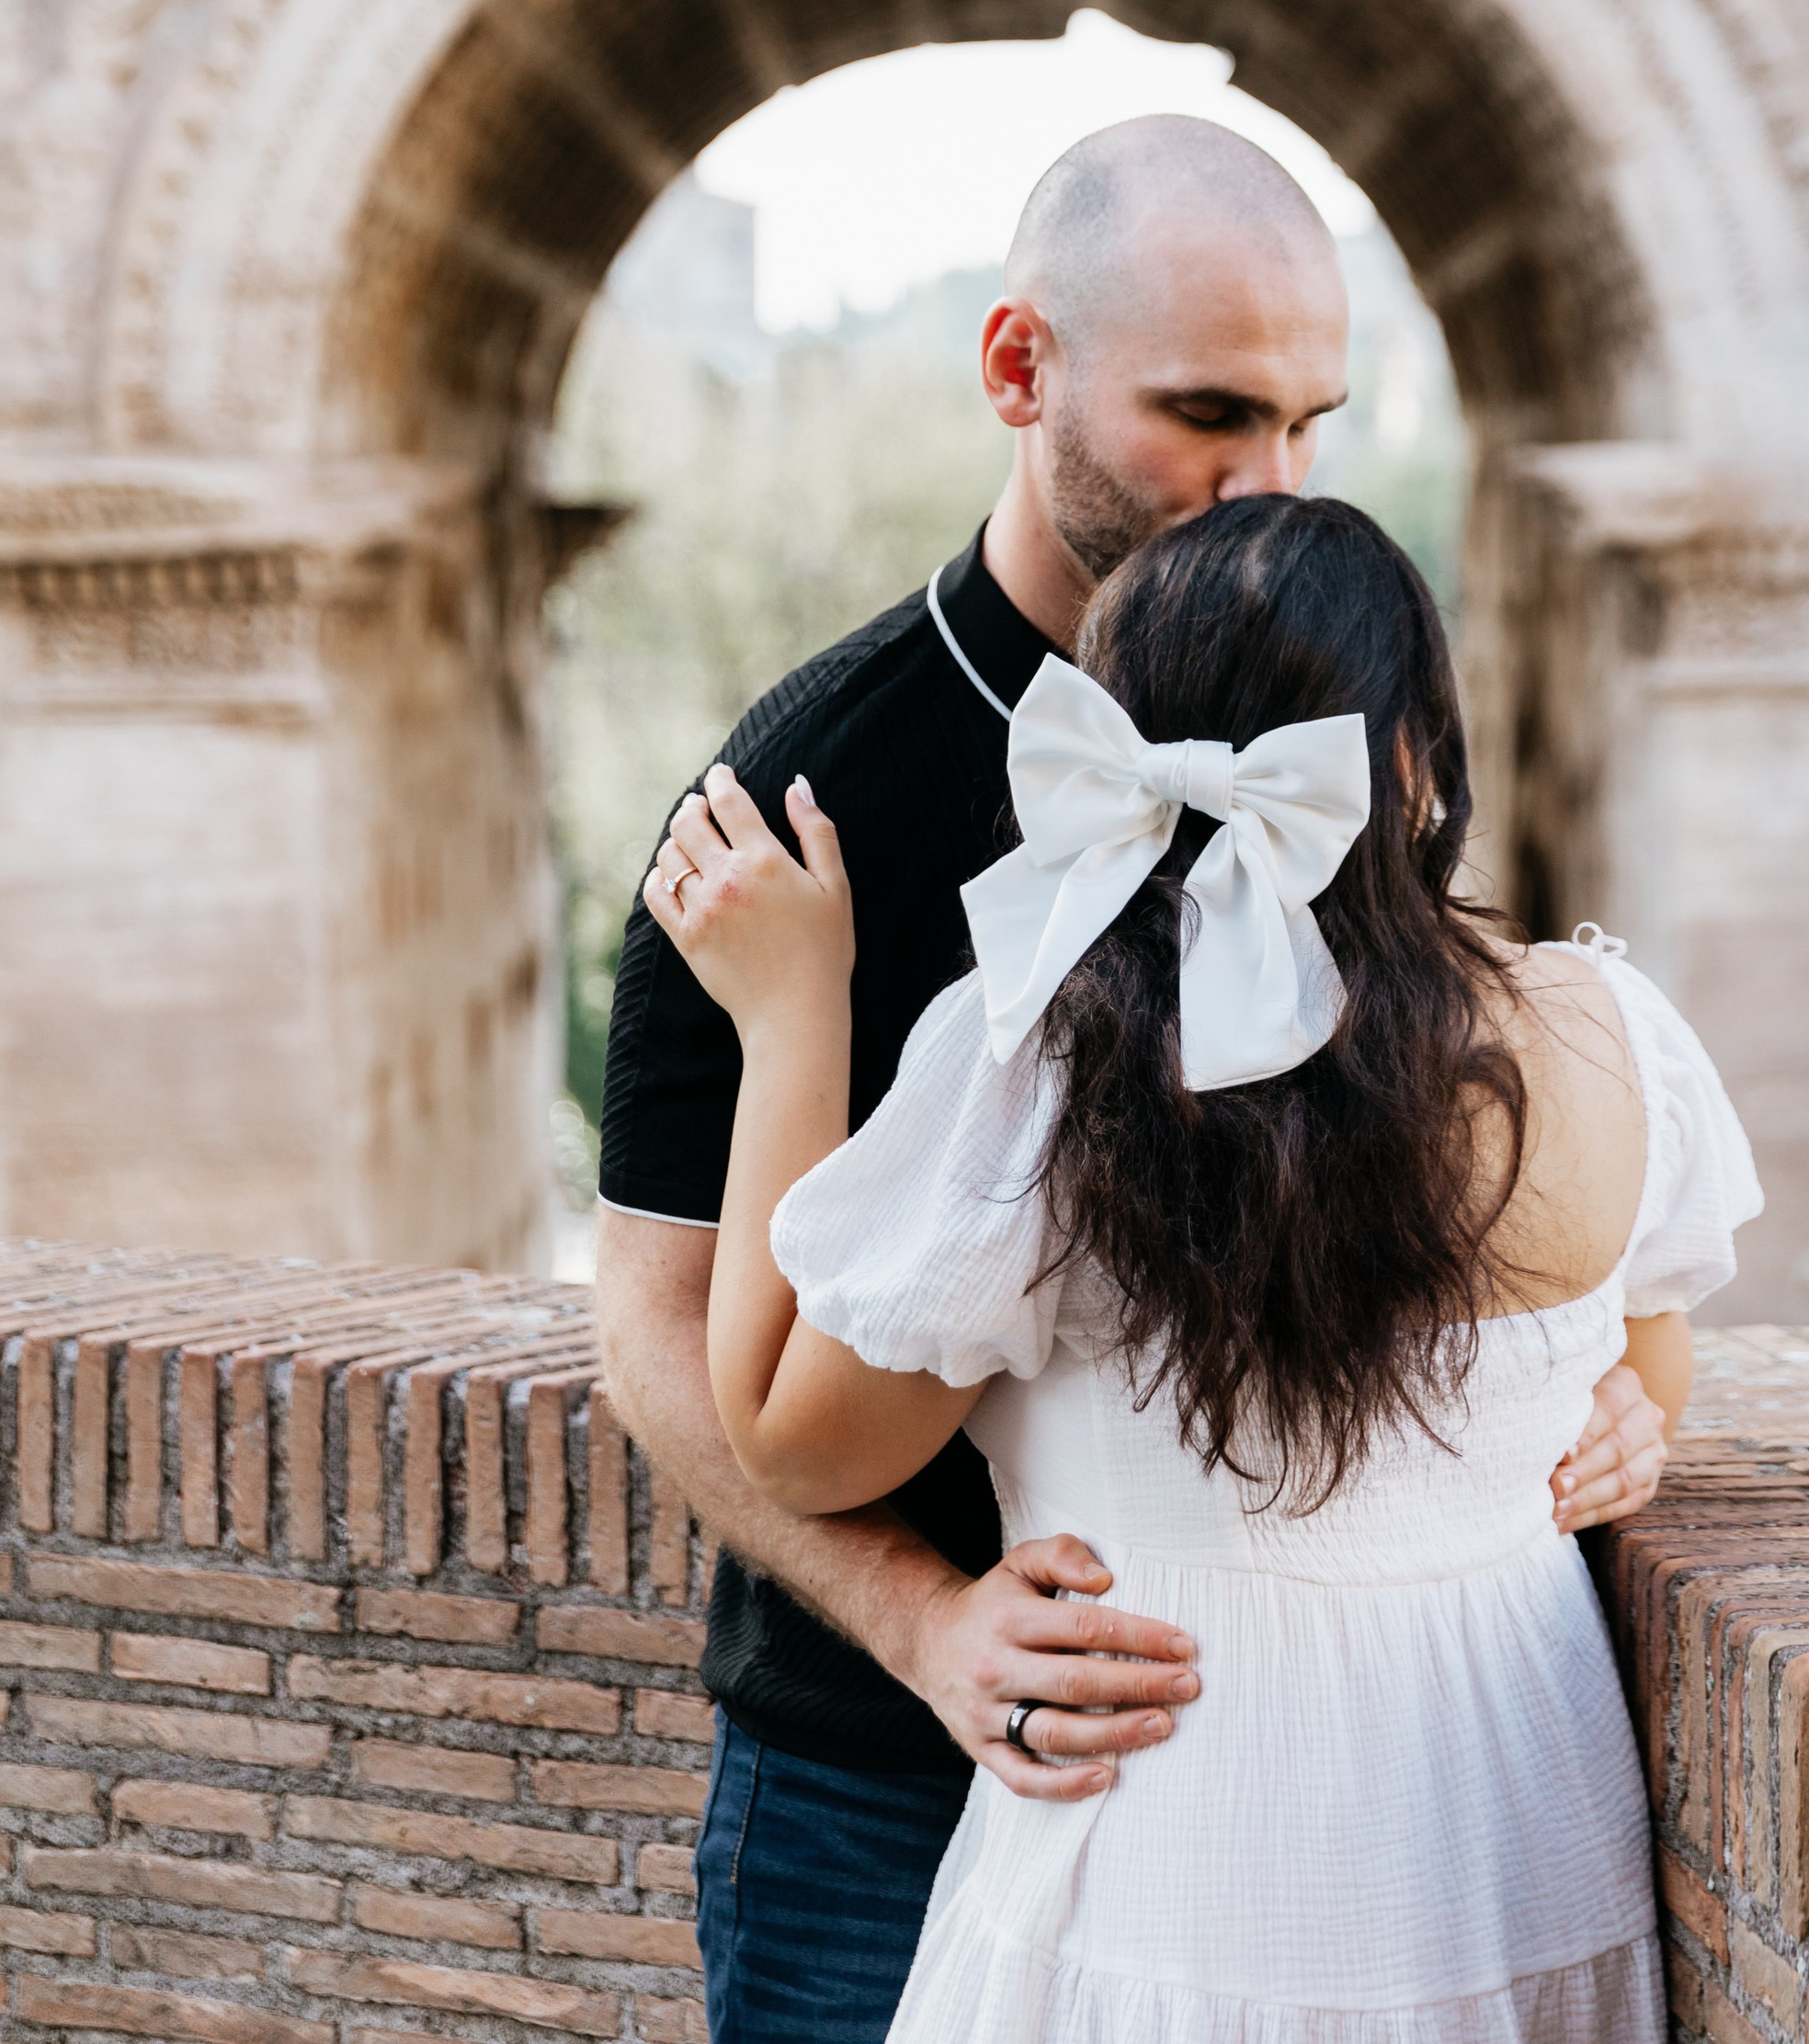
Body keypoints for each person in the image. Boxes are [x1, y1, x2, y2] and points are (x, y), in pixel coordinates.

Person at [595, 118, 1680, 2044]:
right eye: (1208, 416)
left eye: (1308, 423)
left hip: (1285, 1798)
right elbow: (661, 1328)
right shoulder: (802, 796)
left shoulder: (1333, 752)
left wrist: (1586, 1387)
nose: (1268, 484)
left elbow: (1474, 1195)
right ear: (1019, 367)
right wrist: (924, 1623)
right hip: (868, 1769)